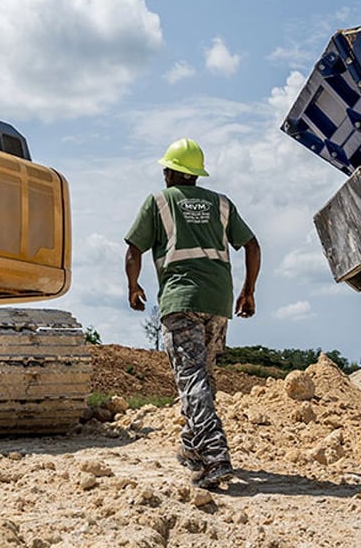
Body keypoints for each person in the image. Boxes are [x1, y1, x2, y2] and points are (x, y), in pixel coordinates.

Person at [124, 138, 261, 490]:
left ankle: (215, 455)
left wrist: (133, 286)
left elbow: (133, 249)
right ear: (196, 175)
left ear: (170, 172)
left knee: (192, 379)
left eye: (165, 169)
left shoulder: (158, 201)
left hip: (181, 300)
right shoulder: (222, 204)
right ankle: (191, 445)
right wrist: (248, 290)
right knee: (204, 378)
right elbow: (252, 244)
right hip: (217, 302)